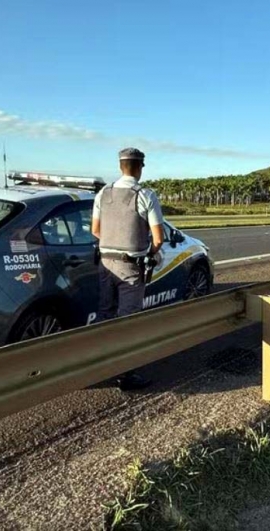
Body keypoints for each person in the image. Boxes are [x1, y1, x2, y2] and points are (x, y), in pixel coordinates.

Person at [92, 147, 165, 390]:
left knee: (105, 315)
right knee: (128, 321)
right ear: (140, 167)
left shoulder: (103, 193)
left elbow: (95, 230)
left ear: (120, 166)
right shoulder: (145, 195)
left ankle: (98, 365)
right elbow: (158, 239)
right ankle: (126, 375)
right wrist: (150, 254)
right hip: (131, 268)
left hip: (104, 263)